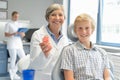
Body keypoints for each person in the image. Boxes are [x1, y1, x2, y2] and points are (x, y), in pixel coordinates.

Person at [60, 13, 111, 80]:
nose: (83, 32)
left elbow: (107, 77)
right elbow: (69, 79)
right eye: (80, 28)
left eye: (87, 28)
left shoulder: (102, 53)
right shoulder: (69, 51)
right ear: (75, 31)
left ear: (92, 30)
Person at [29, 3, 69, 80]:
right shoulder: (38, 35)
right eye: (53, 15)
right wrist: (44, 54)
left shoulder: (65, 39)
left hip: (59, 77)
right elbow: (34, 65)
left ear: (64, 18)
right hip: (42, 77)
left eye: (60, 15)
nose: (57, 18)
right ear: (48, 18)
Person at [4, 11, 26, 80]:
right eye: (15, 16)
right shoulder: (8, 24)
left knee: (23, 58)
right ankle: (13, 75)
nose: (16, 18)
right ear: (12, 16)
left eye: (17, 17)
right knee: (13, 58)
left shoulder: (18, 24)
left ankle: (13, 72)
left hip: (19, 43)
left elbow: (21, 34)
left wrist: (22, 34)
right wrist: (14, 33)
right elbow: (6, 34)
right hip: (12, 43)